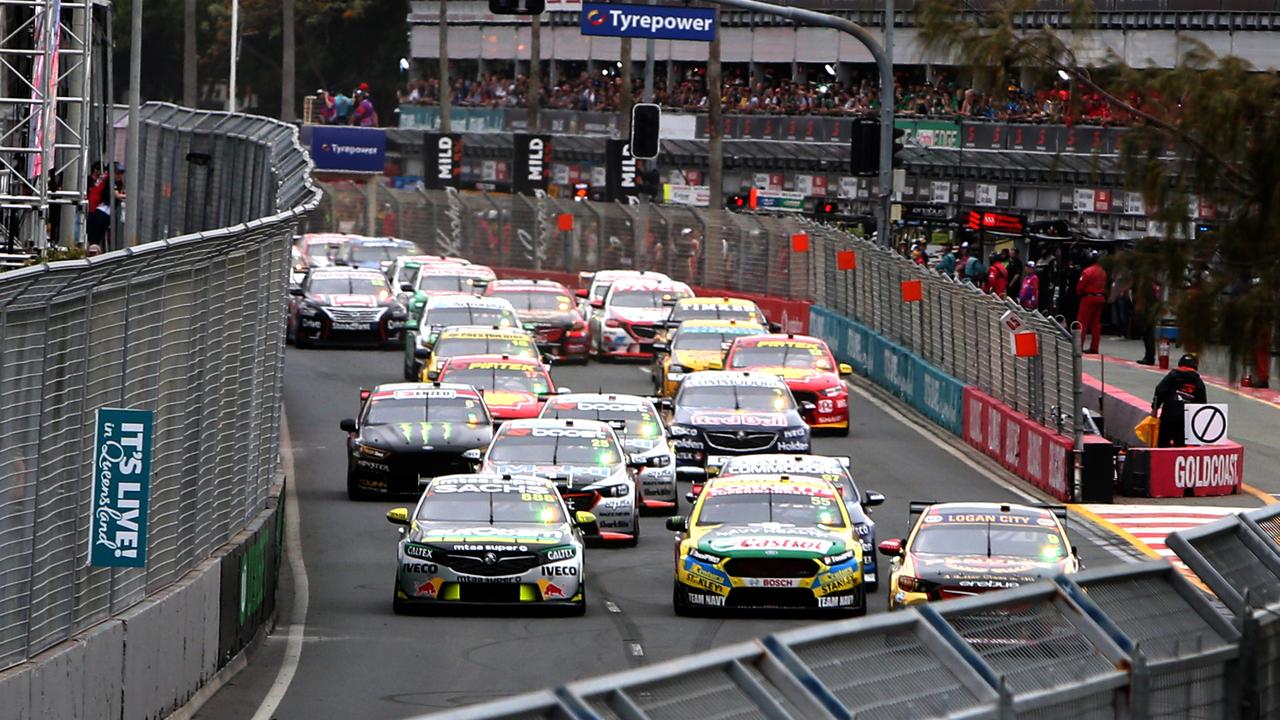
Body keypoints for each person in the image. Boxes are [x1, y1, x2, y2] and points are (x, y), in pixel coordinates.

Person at [1152, 354, 1207, 448]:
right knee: (1181, 447)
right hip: (1185, 421)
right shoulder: (1198, 382)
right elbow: (1202, 405)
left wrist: (1155, 408)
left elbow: (1160, 391)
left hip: (1168, 418)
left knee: (1162, 445)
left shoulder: (1172, 376)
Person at [1076, 250, 1107, 353]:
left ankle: (1079, 345)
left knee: (1082, 323)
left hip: (1088, 298)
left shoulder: (1087, 271)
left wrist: (1079, 293)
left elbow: (1080, 287)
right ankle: (1094, 347)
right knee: (1096, 324)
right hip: (1100, 297)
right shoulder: (1103, 272)